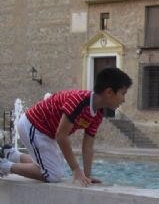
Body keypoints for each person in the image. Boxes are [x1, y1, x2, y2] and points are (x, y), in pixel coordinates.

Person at [0, 67, 132, 186]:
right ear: (109, 92)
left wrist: (86, 176)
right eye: (123, 93)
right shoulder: (79, 101)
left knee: (57, 168)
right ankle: (4, 165)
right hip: (33, 125)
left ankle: (11, 154)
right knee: (53, 175)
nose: (124, 99)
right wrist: (76, 169)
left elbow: (87, 146)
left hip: (44, 131)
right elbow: (61, 136)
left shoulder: (98, 113)